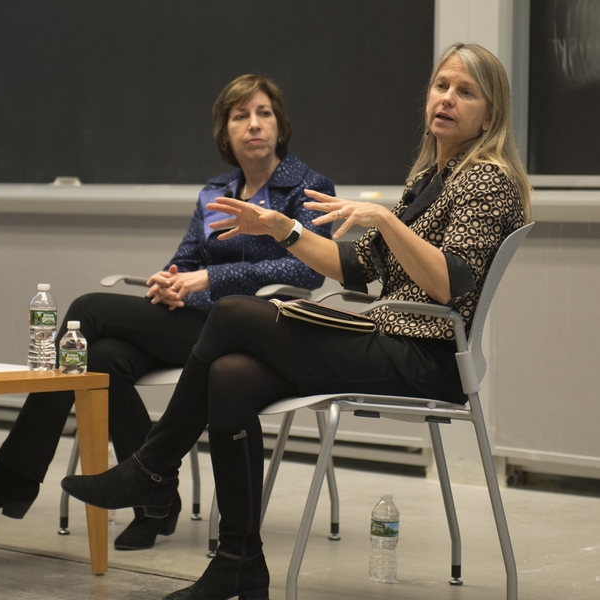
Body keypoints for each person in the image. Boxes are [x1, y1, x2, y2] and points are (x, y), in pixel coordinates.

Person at [61, 42, 531, 600]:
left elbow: (450, 283)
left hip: (426, 357)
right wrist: (283, 228)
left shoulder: (486, 180)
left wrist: (382, 216)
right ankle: (238, 563)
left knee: (234, 313)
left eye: (465, 91)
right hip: (394, 339)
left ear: (491, 111)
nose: (447, 99)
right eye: (441, 86)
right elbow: (357, 267)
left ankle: (153, 465)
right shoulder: (435, 174)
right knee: (230, 375)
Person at [0, 74, 334, 551]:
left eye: (264, 114)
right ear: (224, 132)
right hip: (202, 322)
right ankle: (155, 497)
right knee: (102, 356)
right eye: (240, 116)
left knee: (87, 311)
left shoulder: (307, 186)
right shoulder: (216, 190)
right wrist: (170, 280)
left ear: (280, 126)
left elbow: (307, 268)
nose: (254, 125)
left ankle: (17, 473)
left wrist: (208, 281)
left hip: (256, 333)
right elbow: (186, 259)